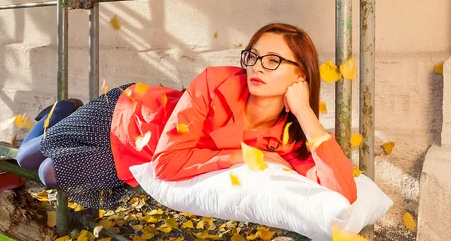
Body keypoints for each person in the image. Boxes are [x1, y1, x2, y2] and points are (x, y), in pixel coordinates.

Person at [18, 22, 357, 208]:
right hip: (132, 114)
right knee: (26, 158)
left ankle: (60, 117)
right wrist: (243, 155)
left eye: (273, 61)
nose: (256, 67)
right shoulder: (216, 80)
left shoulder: (288, 139)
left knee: (48, 172)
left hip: (139, 155)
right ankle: (63, 110)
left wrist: (304, 114)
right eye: (253, 56)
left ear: (301, 75)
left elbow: (344, 193)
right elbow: (168, 162)